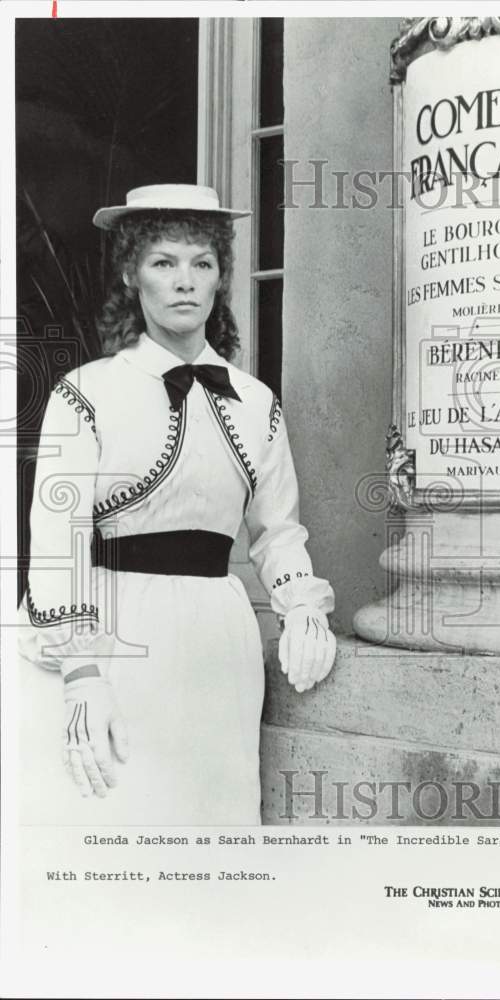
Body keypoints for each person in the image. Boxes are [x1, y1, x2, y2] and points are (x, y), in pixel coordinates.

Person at [19, 184, 336, 825]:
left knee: (211, 827)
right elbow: (58, 536)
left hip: (217, 640)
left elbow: (277, 531)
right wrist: (82, 673)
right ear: (133, 274)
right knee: (111, 828)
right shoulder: (87, 392)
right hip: (111, 628)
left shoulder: (255, 402)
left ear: (220, 277)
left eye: (202, 263)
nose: (184, 281)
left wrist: (302, 607)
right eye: (164, 262)